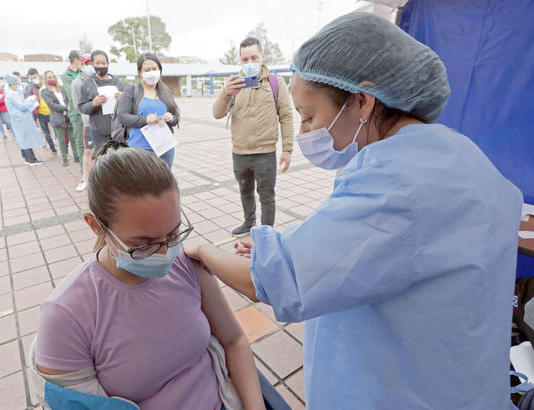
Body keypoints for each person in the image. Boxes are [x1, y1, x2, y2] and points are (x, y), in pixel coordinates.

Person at [186, 12, 523, 410]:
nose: (306, 132)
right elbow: (387, 245)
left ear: (361, 101)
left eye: (309, 116)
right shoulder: (458, 155)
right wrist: (284, 243)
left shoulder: (392, 181)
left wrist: (205, 253)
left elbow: (281, 283)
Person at [34, 144, 265, 410]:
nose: (166, 252)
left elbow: (234, 341)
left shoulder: (187, 264)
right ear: (95, 226)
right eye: (144, 244)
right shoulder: (68, 315)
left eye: (174, 233)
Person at [213, 37, 294, 236]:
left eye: (254, 57)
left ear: (262, 57)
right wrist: (225, 92)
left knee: (267, 195)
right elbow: (217, 113)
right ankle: (249, 223)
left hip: (265, 153)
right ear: (240, 60)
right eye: (245, 59)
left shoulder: (276, 83)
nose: (249, 63)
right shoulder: (233, 84)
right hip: (239, 152)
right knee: (245, 191)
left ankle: (266, 232)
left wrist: (287, 149)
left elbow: (286, 115)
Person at [116, 52, 180, 168]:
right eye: (147, 69)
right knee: (142, 185)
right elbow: (122, 116)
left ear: (160, 70)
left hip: (165, 148)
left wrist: (171, 118)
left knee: (164, 185)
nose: (151, 72)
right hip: (140, 150)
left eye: (154, 68)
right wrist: (145, 119)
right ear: (140, 72)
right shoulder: (132, 90)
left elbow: (176, 118)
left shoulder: (166, 91)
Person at [78, 49, 124, 153]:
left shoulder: (118, 82)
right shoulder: (88, 83)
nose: (101, 66)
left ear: (108, 63)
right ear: (92, 64)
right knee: (103, 159)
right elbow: (81, 107)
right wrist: (93, 103)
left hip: (118, 130)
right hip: (99, 131)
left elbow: (129, 104)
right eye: (97, 63)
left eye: (103, 63)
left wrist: (124, 98)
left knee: (120, 159)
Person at [4, 74, 43, 165]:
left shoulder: (10, 93)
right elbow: (22, 105)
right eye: (17, 83)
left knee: (22, 138)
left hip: (18, 119)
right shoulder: (12, 94)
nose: (18, 85)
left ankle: (26, 158)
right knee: (25, 139)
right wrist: (32, 99)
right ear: (12, 83)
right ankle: (31, 159)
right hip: (21, 119)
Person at [41, 71, 78, 167]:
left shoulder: (62, 88)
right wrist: (66, 108)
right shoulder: (45, 92)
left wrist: (69, 107)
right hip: (57, 118)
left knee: (72, 138)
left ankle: (76, 156)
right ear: (46, 79)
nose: (52, 78)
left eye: (53, 76)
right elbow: (51, 105)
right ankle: (64, 158)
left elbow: (69, 99)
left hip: (68, 117)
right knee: (61, 139)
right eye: (49, 77)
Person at [71, 54, 95, 192]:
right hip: (88, 122)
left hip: (103, 122)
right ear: (82, 65)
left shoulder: (98, 79)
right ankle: (85, 178)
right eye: (88, 63)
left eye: (93, 62)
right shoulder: (77, 83)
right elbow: (76, 104)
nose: (91, 65)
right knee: (88, 151)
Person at [61, 50, 85, 171]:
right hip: (76, 111)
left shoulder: (84, 71)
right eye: (81, 58)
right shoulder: (65, 76)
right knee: (80, 139)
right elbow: (72, 93)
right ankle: (82, 164)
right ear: (76, 59)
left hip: (88, 108)